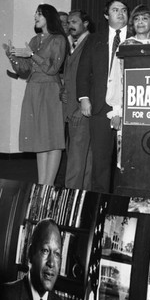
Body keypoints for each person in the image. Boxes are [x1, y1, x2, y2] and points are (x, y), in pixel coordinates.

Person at [5, 4, 67, 185]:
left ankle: (48, 186)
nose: (35, 17)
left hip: (50, 90)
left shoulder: (59, 40)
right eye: (35, 14)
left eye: (39, 14)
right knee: (40, 140)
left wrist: (31, 54)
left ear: (49, 17)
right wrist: (12, 56)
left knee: (53, 139)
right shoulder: (34, 39)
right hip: (33, 88)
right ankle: (41, 186)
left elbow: (53, 68)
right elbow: (25, 70)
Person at [77, 0, 129, 193]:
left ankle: (122, 206)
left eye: (124, 10)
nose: (121, 13)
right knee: (101, 162)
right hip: (100, 106)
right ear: (107, 15)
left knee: (126, 162)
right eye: (115, 10)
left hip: (129, 107)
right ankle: (100, 206)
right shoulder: (94, 39)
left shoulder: (135, 37)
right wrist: (84, 98)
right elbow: (83, 71)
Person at [1, 219, 70, 300]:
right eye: (45, 251)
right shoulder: (4, 297)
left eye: (57, 254)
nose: (51, 263)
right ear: (30, 253)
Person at [61, 10, 93, 190]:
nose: (70, 25)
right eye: (68, 22)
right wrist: (63, 91)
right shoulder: (71, 45)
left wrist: (82, 106)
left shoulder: (91, 43)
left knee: (76, 162)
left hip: (82, 110)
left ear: (86, 23)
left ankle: (69, 203)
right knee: (83, 160)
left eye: (74, 21)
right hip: (71, 109)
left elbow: (94, 78)